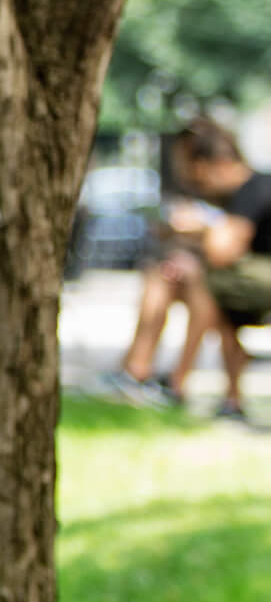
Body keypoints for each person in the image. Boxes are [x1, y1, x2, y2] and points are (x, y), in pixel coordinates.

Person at [101, 118, 271, 423]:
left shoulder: (255, 188)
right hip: (245, 282)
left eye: (195, 170)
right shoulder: (232, 196)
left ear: (215, 163)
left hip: (260, 282)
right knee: (167, 276)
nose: (192, 179)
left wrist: (196, 228)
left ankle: (175, 382)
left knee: (198, 281)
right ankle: (137, 372)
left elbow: (223, 251)